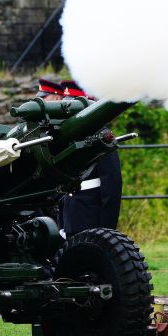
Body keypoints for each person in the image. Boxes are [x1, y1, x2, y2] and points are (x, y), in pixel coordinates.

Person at [58, 80, 122, 236]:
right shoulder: (64, 137)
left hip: (92, 219)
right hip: (70, 219)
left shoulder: (101, 137)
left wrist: (106, 229)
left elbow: (112, 185)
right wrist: (62, 223)